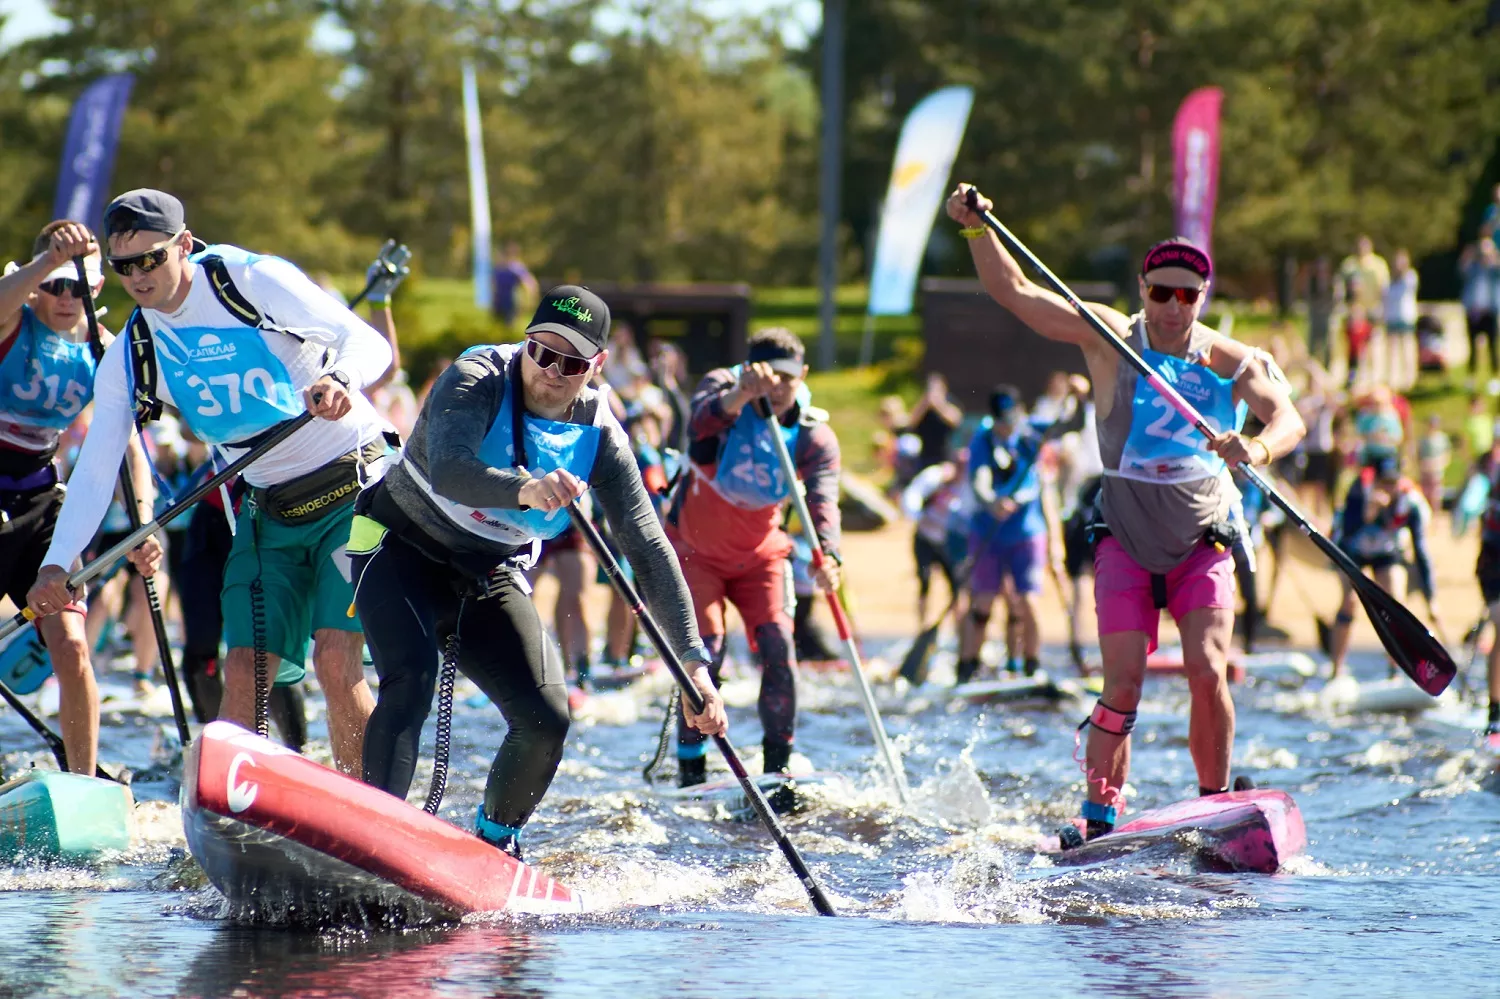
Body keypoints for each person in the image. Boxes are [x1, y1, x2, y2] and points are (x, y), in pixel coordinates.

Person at [946, 183, 1304, 840]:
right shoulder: (1110, 336)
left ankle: (1214, 802)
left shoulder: (1235, 361)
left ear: (1203, 297)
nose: (1172, 307)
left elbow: (1290, 419)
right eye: (1159, 293)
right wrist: (976, 231)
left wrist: (1254, 444)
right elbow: (1017, 294)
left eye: (1186, 295)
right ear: (1142, 290)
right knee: (1124, 687)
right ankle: (1100, 818)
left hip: (1202, 538)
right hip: (1126, 540)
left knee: (1207, 668)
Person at [349, 285, 726, 857]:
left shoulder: (600, 435)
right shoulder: (476, 377)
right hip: (398, 544)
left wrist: (693, 666)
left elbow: (648, 547)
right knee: (410, 684)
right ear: (525, 343)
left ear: (596, 368)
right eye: (541, 352)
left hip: (487, 569)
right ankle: (370, 839)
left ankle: (495, 843)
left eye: (571, 362)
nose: (551, 370)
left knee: (547, 717)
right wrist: (526, 488)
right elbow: (451, 469)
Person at [27, 189, 390, 776]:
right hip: (268, 508)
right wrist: (57, 562)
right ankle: (239, 821)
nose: (140, 277)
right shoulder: (132, 351)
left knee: (334, 659)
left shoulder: (249, 279)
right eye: (125, 267)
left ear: (185, 245)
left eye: (152, 258)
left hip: (356, 488)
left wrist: (340, 376)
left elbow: (368, 342)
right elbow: (97, 464)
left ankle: (376, 814)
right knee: (243, 667)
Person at [666, 327, 841, 786]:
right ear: (749, 369)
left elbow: (823, 497)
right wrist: (744, 393)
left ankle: (776, 768)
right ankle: (691, 768)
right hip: (697, 553)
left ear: (802, 374)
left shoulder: (811, 434)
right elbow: (699, 424)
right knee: (706, 657)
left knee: (780, 651)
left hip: (761, 558)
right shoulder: (721, 389)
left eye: (789, 377)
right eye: (770, 376)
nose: (779, 387)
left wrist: (830, 553)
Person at [0, 221, 126, 776]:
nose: (66, 299)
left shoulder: (107, 349)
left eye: (78, 288)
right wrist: (48, 260)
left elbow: (132, 448)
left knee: (71, 645)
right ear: (35, 287)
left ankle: (84, 781)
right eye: (55, 287)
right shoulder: (12, 320)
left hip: (43, 501)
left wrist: (143, 525)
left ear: (95, 290)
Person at [955, 385, 1053, 683]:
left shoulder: (1033, 432)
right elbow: (981, 480)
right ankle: (968, 667)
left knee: (1027, 601)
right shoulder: (982, 440)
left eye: (1011, 418)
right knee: (983, 602)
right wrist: (991, 501)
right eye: (1002, 420)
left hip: (1026, 533)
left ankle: (1031, 665)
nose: (1007, 425)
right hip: (989, 532)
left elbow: (1072, 423)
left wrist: (1077, 398)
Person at [1325, 455, 1434, 680]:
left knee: (1395, 599)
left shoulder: (1409, 503)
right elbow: (1347, 530)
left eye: (1392, 483)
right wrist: (1370, 512)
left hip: (1387, 555)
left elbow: (1420, 549)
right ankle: (1336, 670)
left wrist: (1431, 597)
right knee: (1350, 602)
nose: (1388, 488)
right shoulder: (1359, 492)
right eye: (1384, 482)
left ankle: (1395, 669)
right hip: (1355, 552)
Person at [905, 373, 963, 472]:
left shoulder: (949, 402)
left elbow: (956, 420)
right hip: (924, 458)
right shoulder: (923, 406)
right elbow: (911, 422)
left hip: (945, 459)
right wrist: (925, 403)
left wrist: (938, 404)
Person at [1461, 239, 1500, 377]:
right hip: (1474, 312)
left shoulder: (1494, 270)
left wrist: (1494, 259)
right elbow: (1462, 270)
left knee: (1492, 347)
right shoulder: (1473, 269)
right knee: (1472, 347)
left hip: (1489, 311)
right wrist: (1467, 256)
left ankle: (1495, 377)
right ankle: (1471, 375)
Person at [1383, 249, 1419, 391]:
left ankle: (1409, 378)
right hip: (1392, 317)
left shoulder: (1410, 276)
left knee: (1407, 349)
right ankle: (1391, 378)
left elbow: (1407, 288)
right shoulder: (1389, 280)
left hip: (1405, 317)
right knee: (1391, 350)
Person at [490, 241, 539, 328]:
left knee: (508, 327)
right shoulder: (498, 267)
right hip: (499, 302)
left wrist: (530, 300)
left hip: (510, 302)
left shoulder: (516, 267)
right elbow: (493, 284)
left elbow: (530, 283)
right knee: (497, 327)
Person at [1416, 414, 1451, 512]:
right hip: (1425, 469)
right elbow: (1418, 455)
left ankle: (1436, 514)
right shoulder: (1423, 439)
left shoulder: (1442, 439)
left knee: (1436, 494)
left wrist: (1437, 463)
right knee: (1424, 492)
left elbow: (1446, 455)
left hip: (1436, 469)